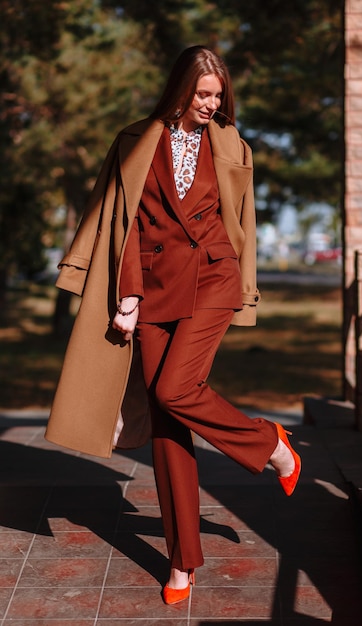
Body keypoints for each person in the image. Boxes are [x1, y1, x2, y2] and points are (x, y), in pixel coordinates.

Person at [45, 45, 301, 605]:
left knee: (174, 388)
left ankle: (270, 444)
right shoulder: (135, 141)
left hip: (212, 278)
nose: (211, 104)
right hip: (155, 288)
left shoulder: (232, 146)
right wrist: (128, 295)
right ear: (181, 90)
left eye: (218, 95)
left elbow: (243, 225)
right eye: (202, 94)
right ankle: (182, 558)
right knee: (167, 419)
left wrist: (246, 290)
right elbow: (125, 223)